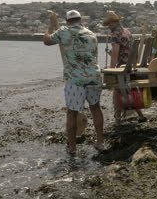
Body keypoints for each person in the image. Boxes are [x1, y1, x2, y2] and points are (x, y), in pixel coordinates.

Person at [43, 10, 104, 155]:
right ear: (80, 20)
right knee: (95, 108)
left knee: (72, 113)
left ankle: (72, 147)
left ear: (67, 21)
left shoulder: (63, 31)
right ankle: (100, 142)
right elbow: (94, 56)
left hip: (75, 80)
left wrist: (51, 25)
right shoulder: (92, 34)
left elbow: (46, 41)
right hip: (94, 76)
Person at [103, 11, 147, 126]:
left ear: (115, 22)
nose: (109, 27)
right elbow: (124, 52)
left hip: (122, 68)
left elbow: (116, 54)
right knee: (128, 91)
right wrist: (111, 54)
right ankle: (140, 115)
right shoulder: (127, 32)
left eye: (110, 24)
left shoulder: (116, 34)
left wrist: (111, 71)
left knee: (116, 91)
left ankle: (117, 119)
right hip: (130, 66)